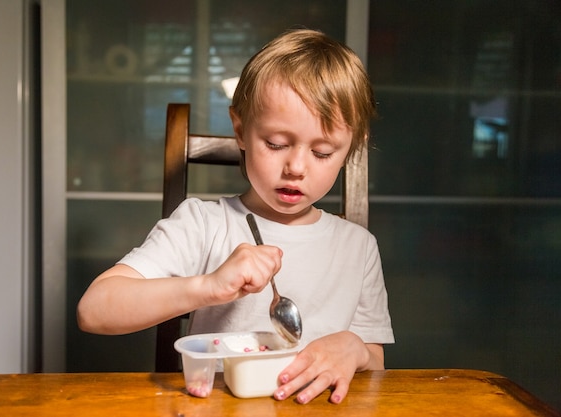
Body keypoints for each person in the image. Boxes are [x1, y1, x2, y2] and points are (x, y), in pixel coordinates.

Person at [77, 28, 394, 404]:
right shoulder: (203, 224)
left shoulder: (358, 247)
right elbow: (94, 310)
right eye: (276, 144)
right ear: (241, 130)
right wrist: (207, 287)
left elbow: (376, 365)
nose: (296, 167)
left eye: (323, 152)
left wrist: (355, 347)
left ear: (349, 150)